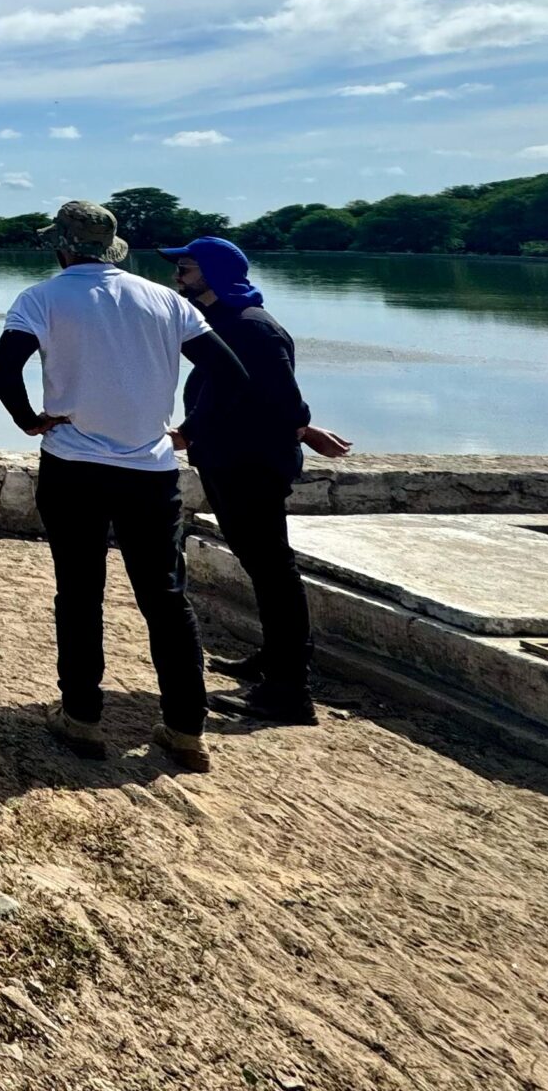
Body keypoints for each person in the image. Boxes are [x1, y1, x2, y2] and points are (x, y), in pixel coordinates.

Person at [0, 200, 250, 773]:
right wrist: (190, 431)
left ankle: (82, 716)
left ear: (61, 247)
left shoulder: (42, 297)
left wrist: (28, 418)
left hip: (73, 467)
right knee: (166, 599)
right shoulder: (165, 300)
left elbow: (3, 369)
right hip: (151, 472)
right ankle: (186, 729)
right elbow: (231, 374)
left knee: (79, 594)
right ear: (111, 248)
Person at [161, 234, 353, 727]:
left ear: (213, 274)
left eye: (185, 269)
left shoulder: (252, 329)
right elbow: (228, 394)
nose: (177, 277)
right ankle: (272, 662)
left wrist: (302, 427)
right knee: (260, 564)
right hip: (230, 458)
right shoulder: (224, 322)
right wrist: (192, 432)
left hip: (252, 464)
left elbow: (284, 402)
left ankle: (289, 691)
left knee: (273, 570)